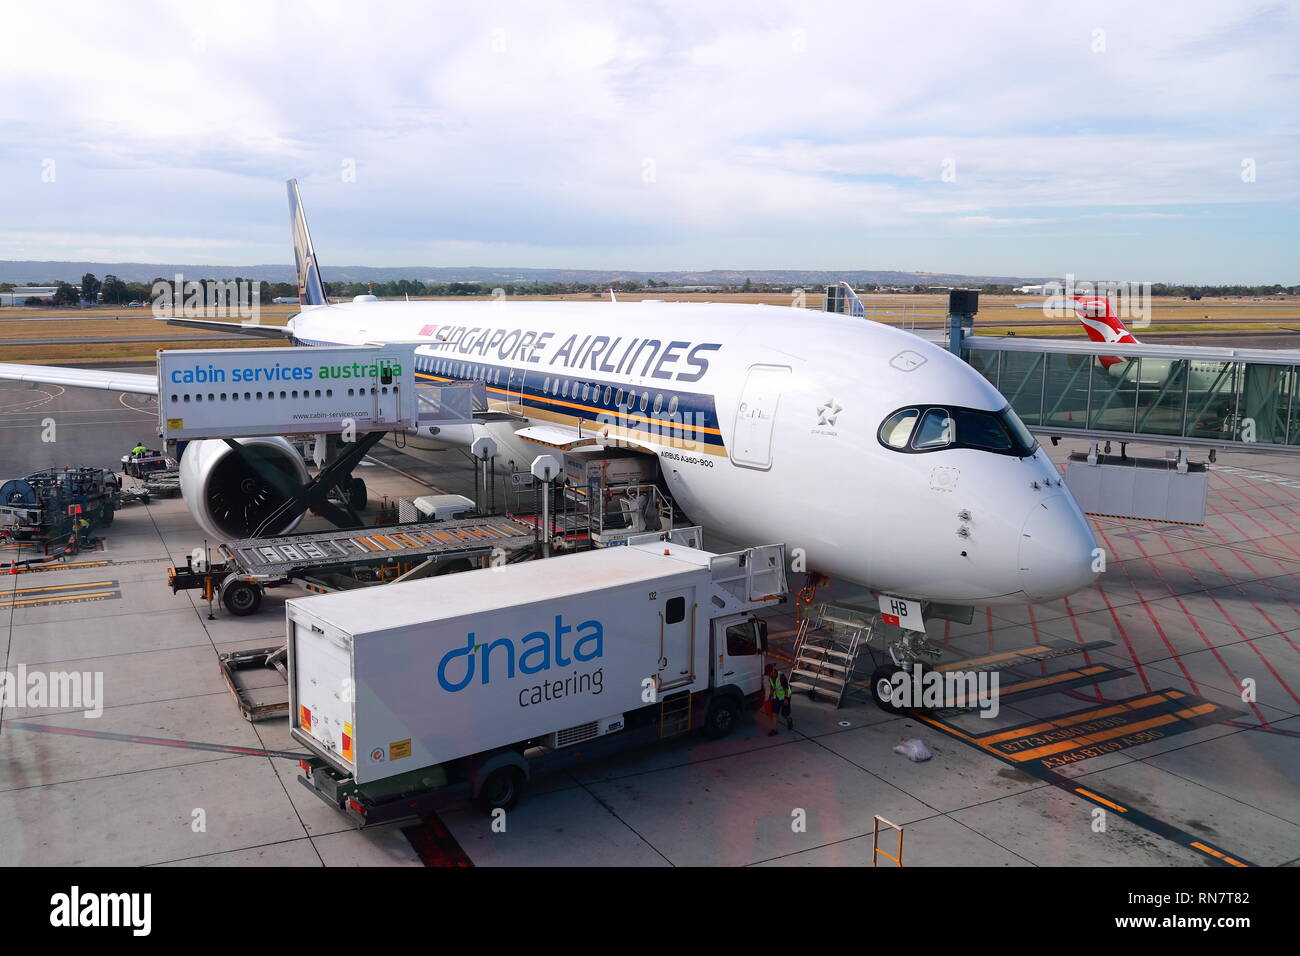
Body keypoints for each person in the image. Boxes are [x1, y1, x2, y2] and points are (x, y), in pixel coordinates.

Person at [766, 664, 792, 735]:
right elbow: (772, 687)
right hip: (776, 697)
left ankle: (789, 720)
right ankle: (774, 730)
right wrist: (770, 696)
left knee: (785, 714)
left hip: (785, 697)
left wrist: (786, 699)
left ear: (773, 671)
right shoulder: (770, 678)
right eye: (768, 674)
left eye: (769, 673)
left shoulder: (781, 676)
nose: (769, 675)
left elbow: (786, 688)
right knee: (774, 713)